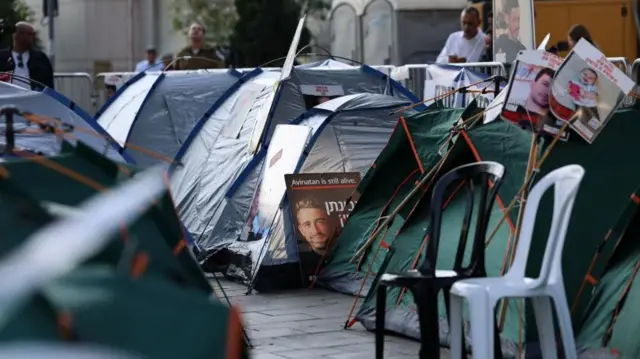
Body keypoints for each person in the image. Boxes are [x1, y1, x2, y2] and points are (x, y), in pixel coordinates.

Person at [0, 22, 54, 90]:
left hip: (34, 98)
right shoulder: (2, 58)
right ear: (17, 35)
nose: (33, 37)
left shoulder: (41, 58)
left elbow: (48, 85)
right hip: (8, 98)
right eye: (30, 34)